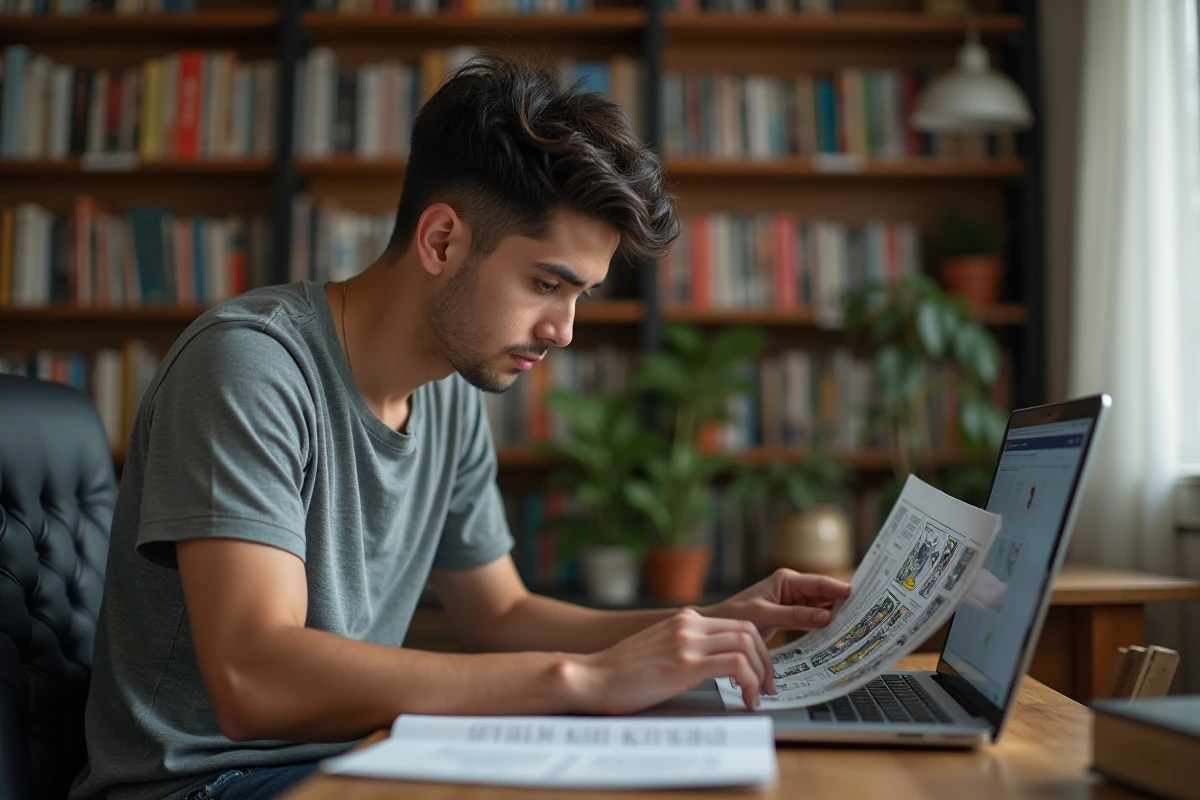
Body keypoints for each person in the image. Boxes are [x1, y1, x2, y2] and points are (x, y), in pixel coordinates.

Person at [70, 54, 851, 800]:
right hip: (204, 784)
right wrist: (582, 680)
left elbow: (501, 616)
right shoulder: (250, 366)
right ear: (441, 240)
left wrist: (712, 624)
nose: (564, 330)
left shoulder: (446, 391)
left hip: (359, 760)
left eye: (580, 295)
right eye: (548, 284)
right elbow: (254, 679)